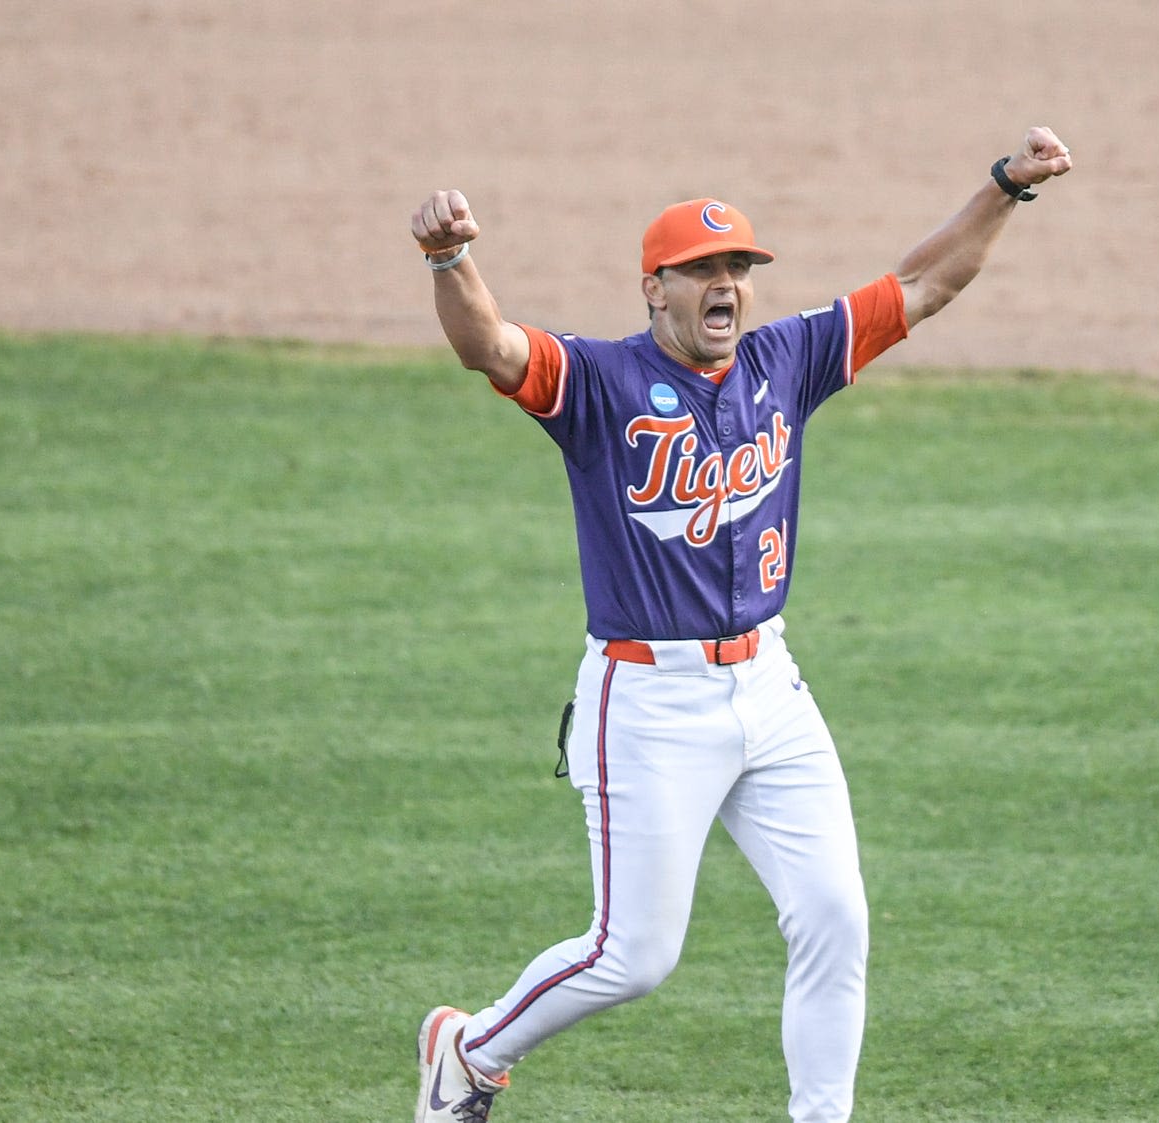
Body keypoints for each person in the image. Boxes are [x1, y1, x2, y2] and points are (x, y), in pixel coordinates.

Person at [407, 127, 1074, 1122]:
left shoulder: (786, 360)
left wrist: (1003, 189)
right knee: (631, 956)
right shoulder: (596, 385)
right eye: (701, 270)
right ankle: (469, 1052)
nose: (725, 285)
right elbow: (489, 346)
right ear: (654, 289)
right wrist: (450, 259)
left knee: (834, 914)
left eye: (737, 267)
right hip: (645, 700)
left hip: (768, 685)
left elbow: (922, 285)